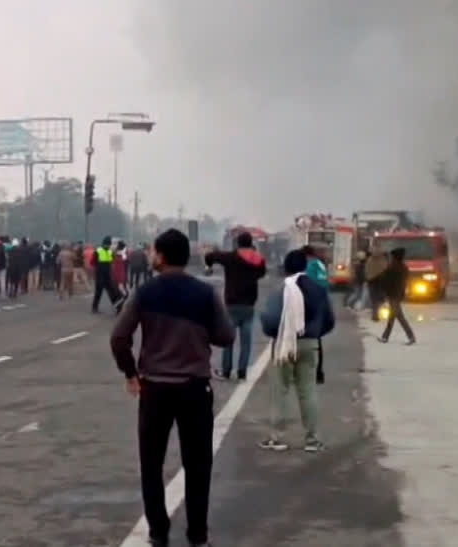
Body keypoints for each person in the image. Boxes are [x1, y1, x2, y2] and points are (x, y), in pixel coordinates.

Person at [110, 229, 235, 547]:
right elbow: (226, 336)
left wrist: (130, 373)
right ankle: (198, 535)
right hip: (194, 389)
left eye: (153, 252)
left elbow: (119, 337)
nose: (151, 256)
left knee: (151, 464)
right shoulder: (205, 294)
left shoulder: (145, 293)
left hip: (155, 390)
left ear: (162, 256)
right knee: (198, 465)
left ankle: (158, 532)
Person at [258, 249, 335, 453]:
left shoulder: (281, 289)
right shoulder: (318, 290)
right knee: (308, 391)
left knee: (280, 390)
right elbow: (329, 320)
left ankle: (277, 437)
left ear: (286, 268)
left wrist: (279, 333)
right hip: (310, 344)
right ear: (304, 267)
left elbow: (269, 320)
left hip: (284, 344)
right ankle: (312, 439)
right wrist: (314, 333)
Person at [204, 231, 267, 382]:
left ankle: (226, 372)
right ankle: (242, 373)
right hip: (248, 306)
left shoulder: (230, 257)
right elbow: (261, 273)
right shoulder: (259, 260)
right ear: (251, 243)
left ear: (237, 243)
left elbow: (210, 256)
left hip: (231, 304)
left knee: (228, 340)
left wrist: (209, 265)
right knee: (246, 342)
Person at [377, 247, 417, 344]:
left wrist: (384, 291)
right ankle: (385, 337)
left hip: (393, 295)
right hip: (398, 294)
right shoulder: (403, 268)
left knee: (399, 317)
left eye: (392, 256)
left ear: (395, 257)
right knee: (392, 316)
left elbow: (385, 280)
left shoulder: (393, 268)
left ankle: (411, 337)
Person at [92, 236, 124, 314]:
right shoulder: (97, 251)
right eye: (107, 244)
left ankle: (117, 307)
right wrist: (98, 268)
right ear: (103, 244)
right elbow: (92, 262)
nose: (108, 246)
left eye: (109, 245)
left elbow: (113, 260)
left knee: (112, 291)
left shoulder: (110, 251)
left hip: (108, 275)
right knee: (98, 292)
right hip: (99, 274)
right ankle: (94, 307)